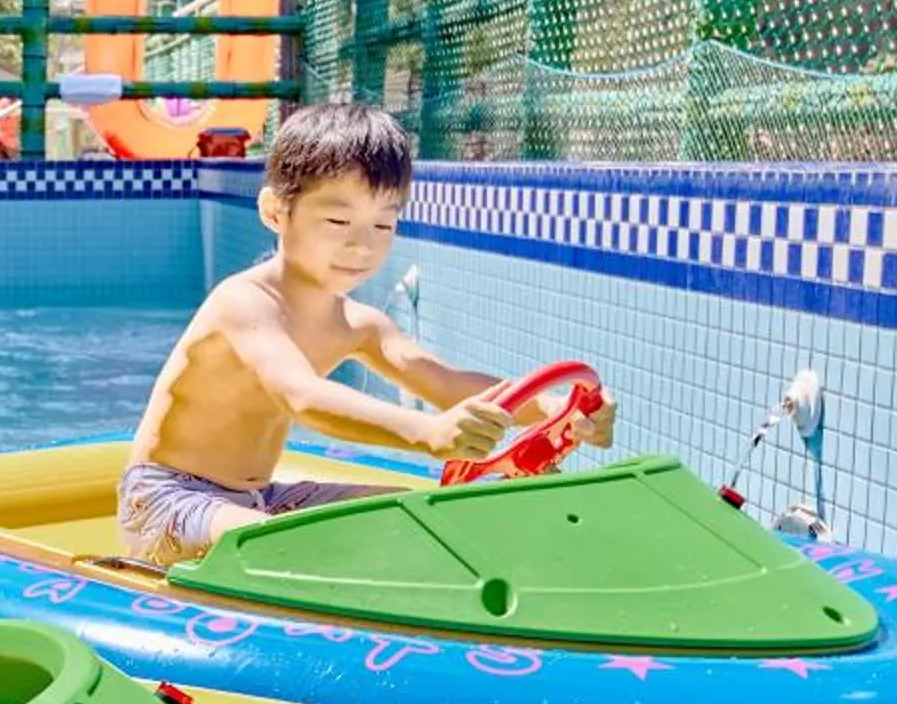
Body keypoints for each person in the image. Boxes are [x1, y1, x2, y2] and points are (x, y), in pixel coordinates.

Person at [117, 102, 619, 568]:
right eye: (338, 220)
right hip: (167, 498)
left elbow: (443, 382)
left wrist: (554, 409)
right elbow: (303, 397)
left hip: (260, 495)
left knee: (430, 521)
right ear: (275, 212)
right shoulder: (245, 304)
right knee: (285, 548)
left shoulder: (358, 324)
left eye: (383, 225)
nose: (361, 246)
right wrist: (426, 433)